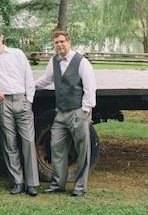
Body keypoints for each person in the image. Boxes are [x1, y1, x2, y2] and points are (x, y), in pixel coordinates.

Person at [35, 30, 97, 197]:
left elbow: (90, 87)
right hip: (60, 113)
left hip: (78, 111)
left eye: (62, 41)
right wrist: (30, 86)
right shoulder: (54, 60)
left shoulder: (81, 61)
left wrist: (85, 109)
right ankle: (58, 184)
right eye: (56, 43)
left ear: (69, 42)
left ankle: (80, 187)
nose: (59, 45)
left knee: (82, 149)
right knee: (56, 147)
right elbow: (46, 79)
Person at [0, 27, 39, 197]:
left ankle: (32, 183)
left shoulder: (17, 54)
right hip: (3, 102)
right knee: (9, 143)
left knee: (28, 141)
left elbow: (28, 77)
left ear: (1, 37)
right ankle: (17, 182)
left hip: (21, 99)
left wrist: (28, 100)